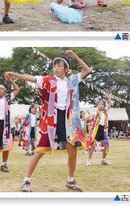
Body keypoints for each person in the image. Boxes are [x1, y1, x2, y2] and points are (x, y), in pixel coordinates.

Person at [5, 50, 91, 192]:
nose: (56, 68)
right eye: (54, 65)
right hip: (51, 120)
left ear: (66, 68)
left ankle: (70, 180)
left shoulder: (71, 81)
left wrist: (74, 56)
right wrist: (15, 75)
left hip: (66, 121)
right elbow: (31, 78)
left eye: (59, 65)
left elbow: (87, 70)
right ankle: (26, 181)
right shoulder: (48, 80)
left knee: (72, 151)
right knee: (39, 151)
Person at [83, 90, 112, 166]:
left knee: (106, 145)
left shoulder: (105, 112)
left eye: (102, 104)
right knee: (93, 145)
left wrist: (108, 96)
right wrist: (85, 118)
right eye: (99, 104)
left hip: (103, 130)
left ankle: (103, 160)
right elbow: (91, 115)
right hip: (97, 130)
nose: (100, 105)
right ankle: (89, 160)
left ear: (103, 106)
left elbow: (110, 104)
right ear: (97, 105)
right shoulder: (96, 112)